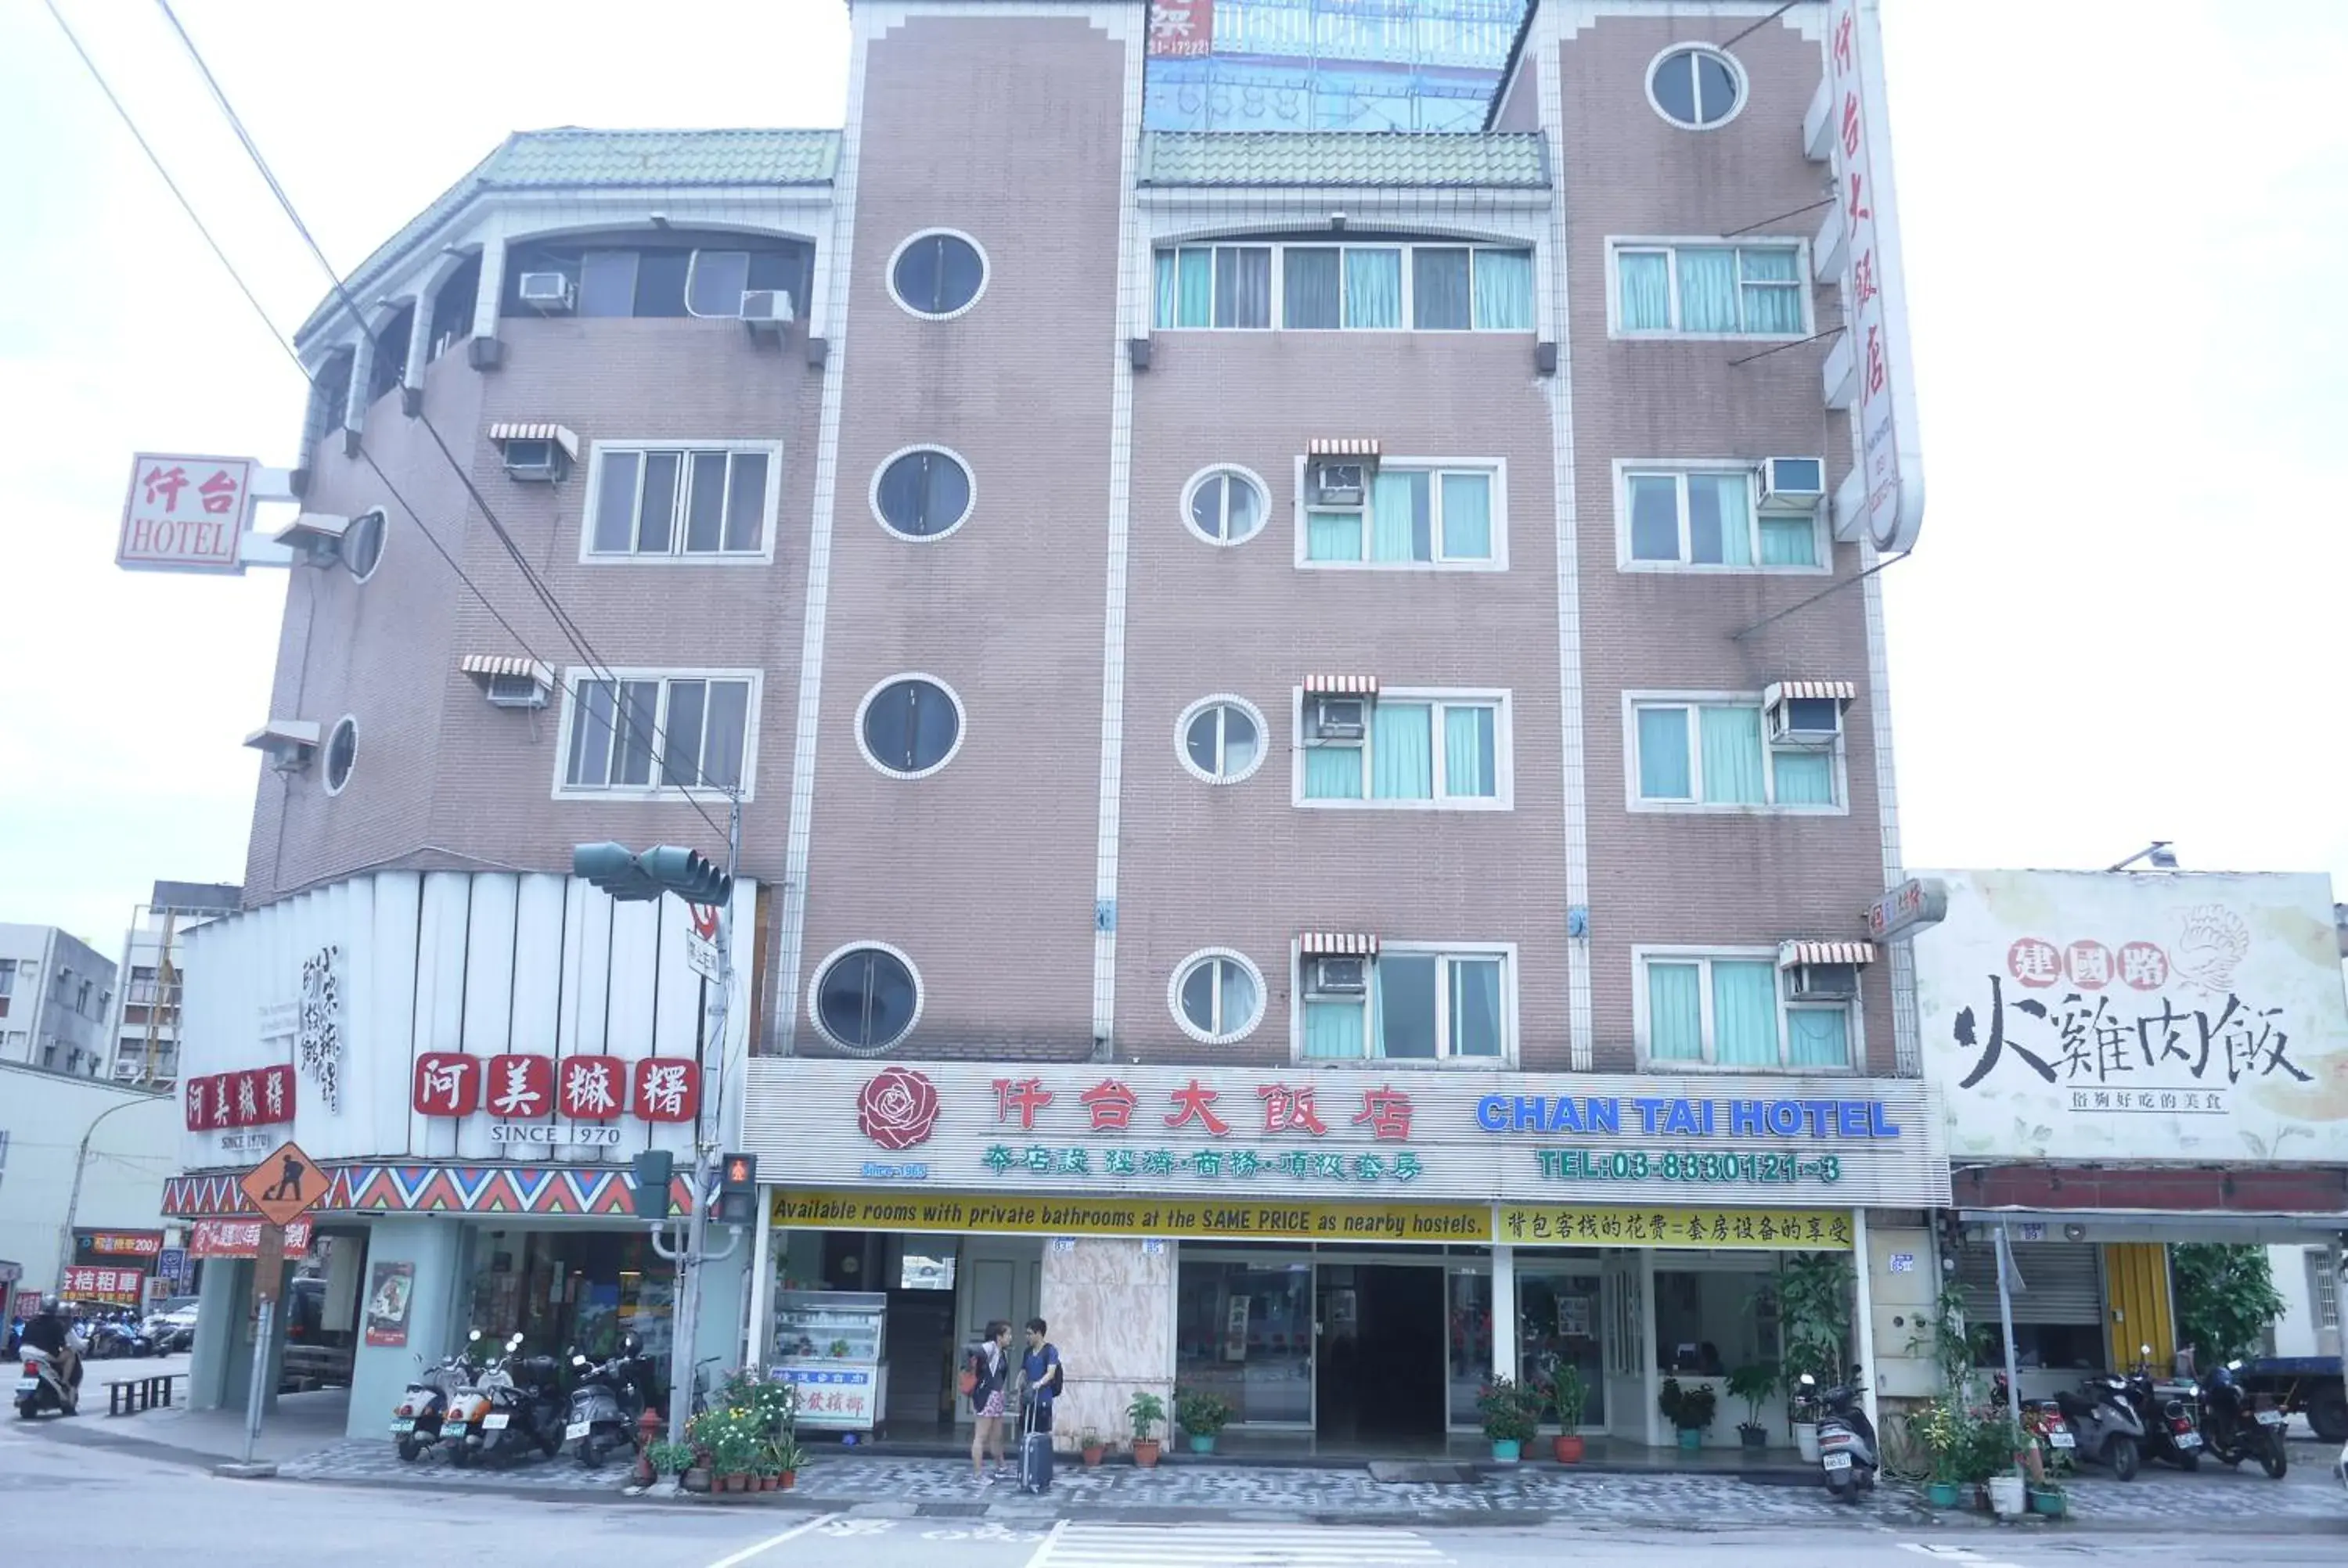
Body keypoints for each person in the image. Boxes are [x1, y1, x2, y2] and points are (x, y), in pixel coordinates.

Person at [967, 1319, 1012, 1483]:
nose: (1010, 1338)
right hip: (987, 1396)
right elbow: (969, 1350)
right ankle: (978, 1474)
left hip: (997, 1396)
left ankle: (1001, 1466)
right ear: (999, 1336)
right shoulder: (991, 1347)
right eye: (1008, 1334)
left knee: (997, 1435)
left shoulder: (1002, 1352)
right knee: (981, 1436)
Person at [18, 1296, 82, 1396]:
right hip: (42, 1355)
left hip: (24, 1352)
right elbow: (63, 1345)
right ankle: (64, 1382)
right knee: (70, 1354)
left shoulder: (31, 1321)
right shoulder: (56, 1324)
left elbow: (23, 1339)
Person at [1019, 1317, 1063, 1437]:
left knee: (1042, 1432)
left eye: (1029, 1334)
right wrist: (1019, 1388)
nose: (1027, 1337)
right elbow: (1023, 1372)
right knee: (1026, 1429)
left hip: (1043, 1398)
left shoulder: (1050, 1351)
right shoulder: (1028, 1352)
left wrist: (1038, 1384)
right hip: (1028, 1397)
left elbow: (1051, 1373)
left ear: (1038, 1333)